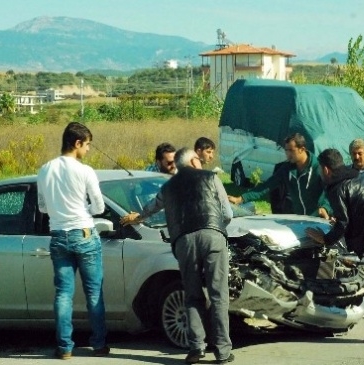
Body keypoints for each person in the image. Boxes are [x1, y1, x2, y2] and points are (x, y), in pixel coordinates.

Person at [121, 148, 234, 364]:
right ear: (193, 161)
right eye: (199, 159)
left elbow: (152, 208)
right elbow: (227, 214)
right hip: (213, 235)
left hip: (184, 241)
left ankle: (196, 348)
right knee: (219, 295)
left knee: (192, 295)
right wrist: (217, 229)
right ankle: (222, 351)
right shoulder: (211, 178)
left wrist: (138, 217)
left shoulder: (168, 186)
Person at [305, 148, 364, 344]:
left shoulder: (336, 187)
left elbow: (343, 222)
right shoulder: (355, 175)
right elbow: (355, 212)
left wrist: (325, 239)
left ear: (325, 169)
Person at [37, 121, 109, 360]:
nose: (88, 149)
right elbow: (99, 207)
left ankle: (65, 346)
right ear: (77, 143)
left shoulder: (45, 170)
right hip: (85, 233)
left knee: (63, 293)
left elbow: (42, 207)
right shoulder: (85, 171)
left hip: (58, 235)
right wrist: (83, 207)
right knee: (94, 293)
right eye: (87, 145)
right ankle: (98, 343)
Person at [228, 133, 329, 218]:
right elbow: (267, 185)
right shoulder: (287, 168)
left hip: (318, 218)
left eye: (291, 150)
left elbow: (332, 190)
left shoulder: (318, 167)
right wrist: (241, 199)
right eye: (286, 150)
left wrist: (325, 208)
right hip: (299, 219)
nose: (287, 154)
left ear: (302, 149)